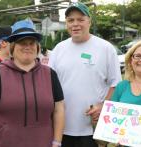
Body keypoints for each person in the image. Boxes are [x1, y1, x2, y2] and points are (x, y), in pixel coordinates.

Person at [0, 19, 65, 147]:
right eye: (21, 43)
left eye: (32, 43)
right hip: (1, 143)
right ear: (12, 47)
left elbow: (59, 109)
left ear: (38, 47)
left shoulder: (50, 74)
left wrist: (57, 141)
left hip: (41, 142)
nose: (27, 47)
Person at [48, 2, 122, 147]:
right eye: (70, 20)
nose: (75, 24)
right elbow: (49, 84)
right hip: (61, 128)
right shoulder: (58, 49)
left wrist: (103, 106)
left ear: (89, 21)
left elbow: (116, 84)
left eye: (80, 19)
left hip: (93, 129)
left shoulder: (105, 48)